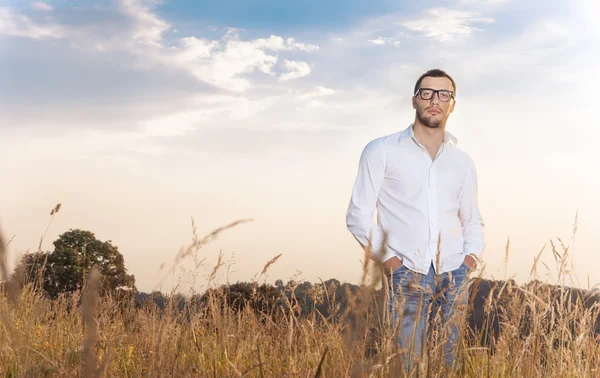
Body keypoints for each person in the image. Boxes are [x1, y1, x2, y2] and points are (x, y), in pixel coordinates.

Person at [345, 69, 485, 369]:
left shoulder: (462, 162)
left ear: (452, 104)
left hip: (454, 273)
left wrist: (470, 259)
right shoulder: (381, 150)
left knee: (448, 364)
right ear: (414, 100)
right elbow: (358, 214)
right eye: (427, 93)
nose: (435, 100)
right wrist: (391, 263)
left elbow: (472, 218)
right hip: (406, 274)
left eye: (443, 94)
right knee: (407, 365)